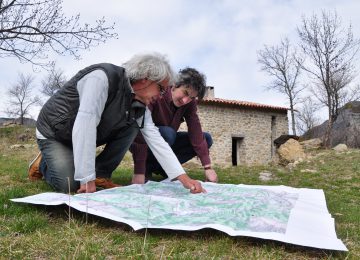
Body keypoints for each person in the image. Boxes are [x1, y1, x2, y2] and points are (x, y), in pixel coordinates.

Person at [28, 53, 205, 194]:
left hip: (83, 134)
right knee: (68, 184)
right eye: (161, 89)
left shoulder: (140, 105)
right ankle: (43, 164)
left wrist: (182, 177)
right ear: (146, 78)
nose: (161, 96)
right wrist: (86, 178)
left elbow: (156, 139)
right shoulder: (101, 78)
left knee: (133, 127)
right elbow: (85, 124)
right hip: (55, 134)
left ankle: (101, 174)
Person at [131, 67, 218, 184]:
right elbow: (141, 127)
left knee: (206, 139)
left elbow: (195, 130)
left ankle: (164, 169)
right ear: (175, 84)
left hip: (167, 141)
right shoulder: (157, 92)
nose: (185, 100)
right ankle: (147, 167)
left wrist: (208, 167)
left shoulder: (189, 104)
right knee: (168, 134)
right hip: (141, 139)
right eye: (185, 93)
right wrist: (139, 171)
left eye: (191, 98)